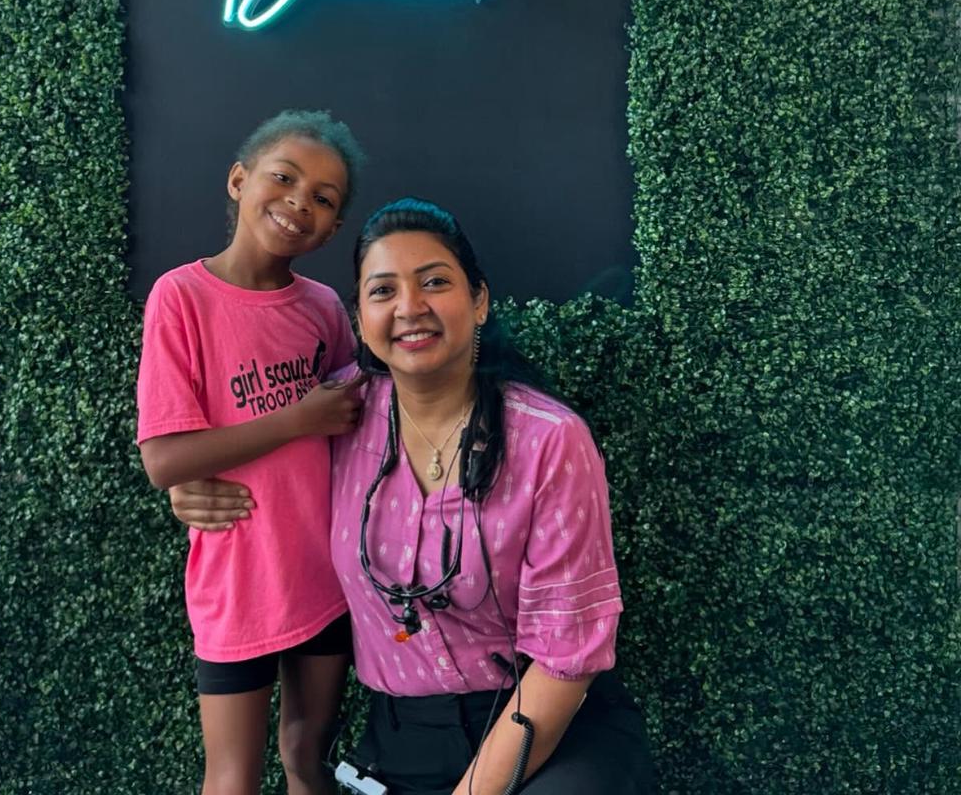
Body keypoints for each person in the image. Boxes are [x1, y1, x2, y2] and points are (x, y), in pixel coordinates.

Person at [172, 199, 653, 795]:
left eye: (434, 282)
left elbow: (564, 662)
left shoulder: (548, 440)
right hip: (402, 741)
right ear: (359, 319)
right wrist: (193, 487)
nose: (409, 307)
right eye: (383, 291)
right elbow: (263, 476)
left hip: (545, 733)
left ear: (479, 300)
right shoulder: (334, 416)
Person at [136, 110, 369, 795]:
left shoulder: (324, 309)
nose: (299, 202)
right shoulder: (181, 297)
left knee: (307, 758)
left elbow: (351, 424)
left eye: (323, 198)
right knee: (232, 776)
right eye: (284, 178)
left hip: (324, 579)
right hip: (238, 584)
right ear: (239, 180)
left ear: (333, 228)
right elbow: (164, 460)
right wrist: (296, 420)